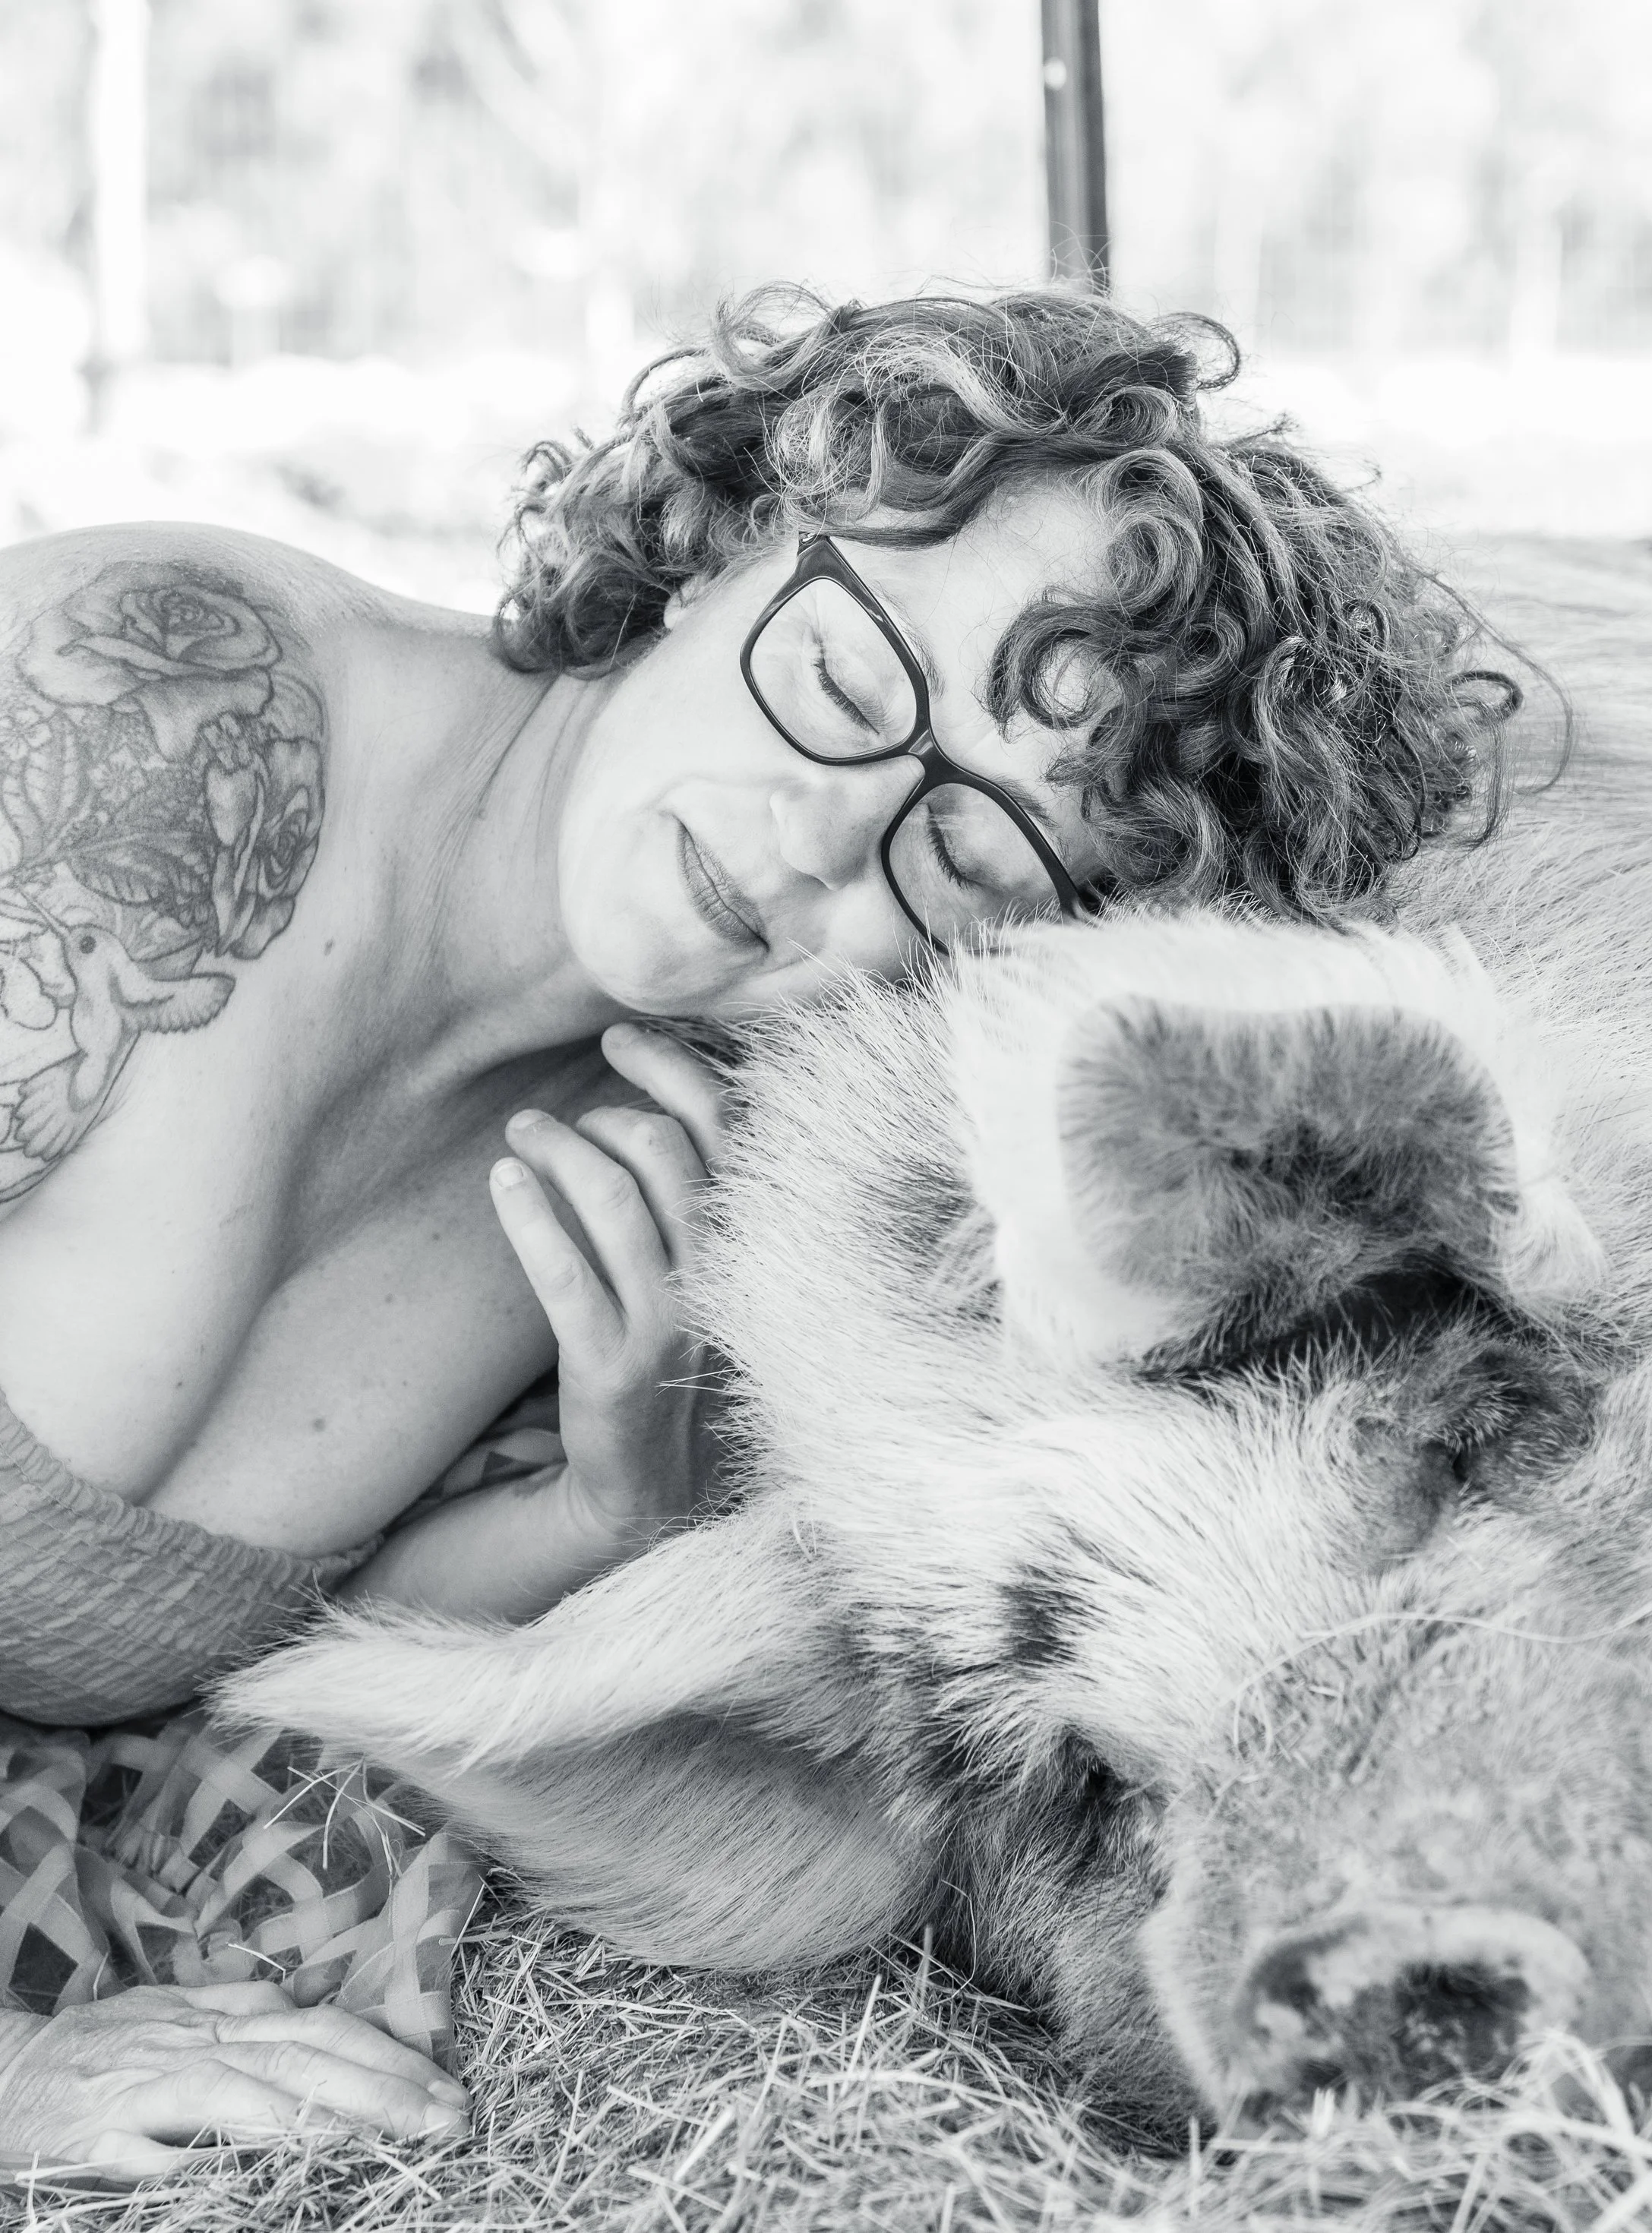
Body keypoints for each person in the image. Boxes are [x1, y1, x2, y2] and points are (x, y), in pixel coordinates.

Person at [0, 286, 1509, 2176]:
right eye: (850, 683)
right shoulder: (159, 736)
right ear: (729, 530)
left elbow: (281, 1662)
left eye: (959, 848)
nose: (820, 838)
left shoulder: (687, 1159)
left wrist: (609, 1497)